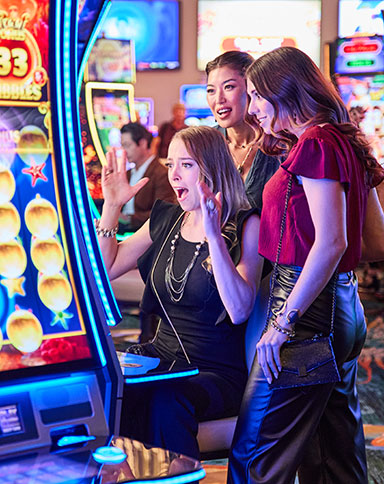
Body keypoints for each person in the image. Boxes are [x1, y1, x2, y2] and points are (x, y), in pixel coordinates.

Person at [227, 46, 384, 484]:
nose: (253, 107)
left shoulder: (315, 143)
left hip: (305, 309)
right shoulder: (343, 140)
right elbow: (374, 242)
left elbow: (332, 242)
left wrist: (282, 322)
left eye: (258, 95)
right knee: (332, 454)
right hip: (344, 305)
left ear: (285, 91)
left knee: (257, 452)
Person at [96, 125, 264, 460]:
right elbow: (107, 269)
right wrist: (111, 205)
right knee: (106, 383)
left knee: (165, 398)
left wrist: (214, 237)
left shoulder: (247, 222)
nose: (174, 175)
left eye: (186, 165)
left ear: (213, 168)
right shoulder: (166, 217)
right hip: (159, 358)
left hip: (214, 371)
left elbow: (240, 309)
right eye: (171, 164)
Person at [205, 51, 280, 211]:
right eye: (211, 90)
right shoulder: (205, 144)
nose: (218, 99)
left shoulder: (279, 141)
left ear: (251, 89)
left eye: (229, 87)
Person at [119, 122, 175, 232]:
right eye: (123, 146)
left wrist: (129, 219)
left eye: (128, 145)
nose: (124, 151)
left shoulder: (161, 173)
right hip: (121, 228)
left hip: (142, 233)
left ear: (143, 143)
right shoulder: (127, 173)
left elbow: (163, 212)